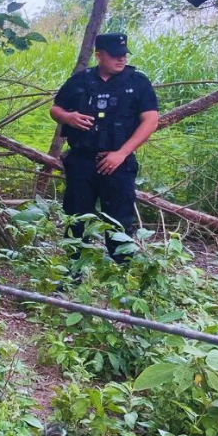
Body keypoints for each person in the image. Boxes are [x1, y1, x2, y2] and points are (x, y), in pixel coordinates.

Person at [50, 32, 159, 266]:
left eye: (124, 55)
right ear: (99, 56)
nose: (121, 60)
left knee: (119, 221)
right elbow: (55, 109)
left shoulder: (137, 82)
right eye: (115, 55)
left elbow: (150, 121)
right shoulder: (81, 80)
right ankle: (73, 271)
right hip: (82, 161)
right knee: (76, 217)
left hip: (118, 163)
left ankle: (121, 273)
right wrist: (68, 117)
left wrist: (121, 153)